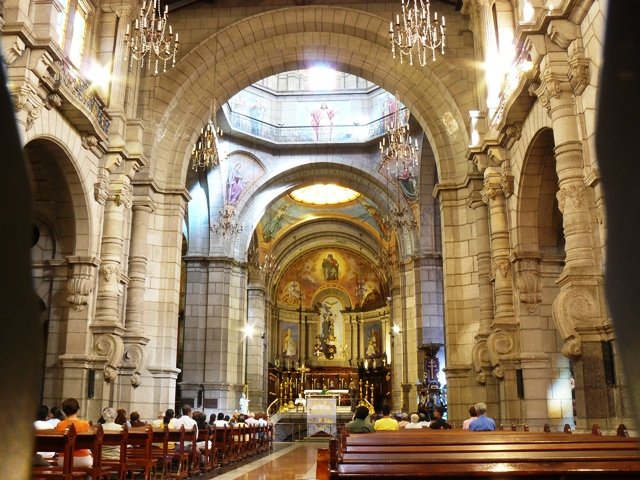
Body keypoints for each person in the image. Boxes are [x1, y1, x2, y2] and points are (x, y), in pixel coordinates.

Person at [54, 398, 93, 467]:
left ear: (64, 411)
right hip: (82, 459)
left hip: (63, 459)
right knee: (90, 463)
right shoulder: (84, 424)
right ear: (78, 410)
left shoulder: (60, 424)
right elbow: (90, 443)